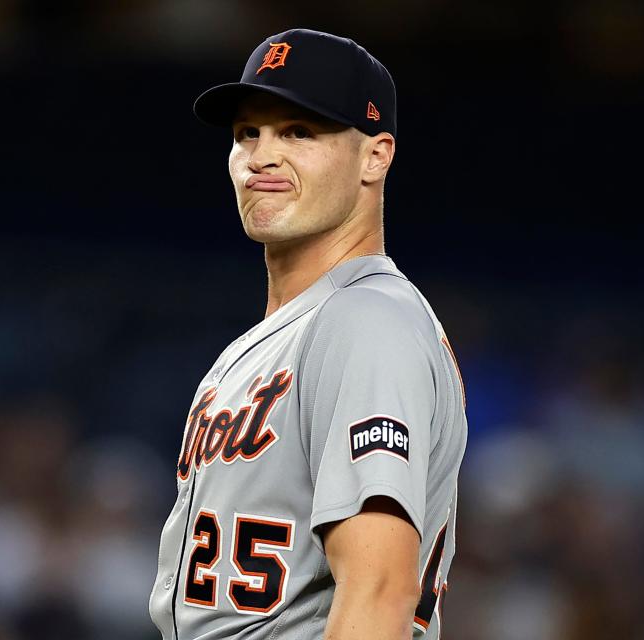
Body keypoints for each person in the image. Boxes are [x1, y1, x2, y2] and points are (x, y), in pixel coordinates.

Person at [149, 28, 468, 639]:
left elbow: (379, 589)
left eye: (298, 131)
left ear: (375, 156)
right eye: (248, 133)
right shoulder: (285, 335)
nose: (262, 156)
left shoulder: (367, 321)